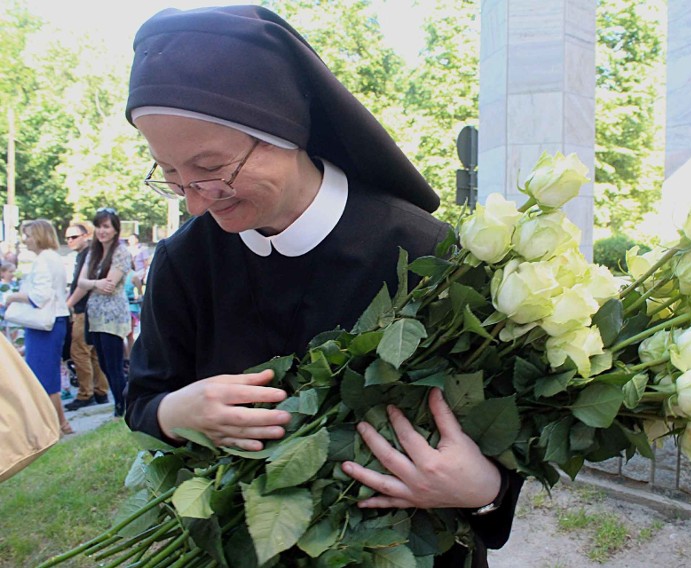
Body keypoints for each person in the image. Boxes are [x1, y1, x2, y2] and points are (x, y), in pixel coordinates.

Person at [123, 5, 521, 566]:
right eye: (169, 175)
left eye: (211, 169)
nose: (193, 200)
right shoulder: (183, 264)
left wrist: (484, 489)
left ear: (283, 130)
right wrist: (174, 412)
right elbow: (142, 399)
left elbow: (501, 431)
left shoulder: (426, 253)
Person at [4, 219, 72, 435]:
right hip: (54, 321)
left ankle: (56, 426)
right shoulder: (53, 258)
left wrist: (12, 297)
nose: (26, 240)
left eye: (29, 235)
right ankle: (60, 424)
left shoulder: (43, 260)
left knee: (43, 378)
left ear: (40, 236)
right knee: (47, 375)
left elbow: (39, 296)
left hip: (45, 325)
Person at [67, 209, 131, 417]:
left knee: (113, 363)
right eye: (98, 226)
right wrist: (96, 283)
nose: (101, 231)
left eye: (106, 226)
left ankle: (122, 406)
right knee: (103, 363)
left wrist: (91, 283)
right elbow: (81, 282)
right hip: (93, 315)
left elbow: (109, 286)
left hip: (112, 316)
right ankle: (120, 403)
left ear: (115, 230)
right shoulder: (93, 252)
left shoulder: (121, 251)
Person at [63, 222, 110, 411]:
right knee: (93, 353)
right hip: (93, 310)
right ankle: (100, 391)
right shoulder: (89, 255)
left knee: (79, 352)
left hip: (86, 310)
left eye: (74, 237)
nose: (69, 241)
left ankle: (86, 394)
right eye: (67, 238)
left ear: (86, 236)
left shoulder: (89, 255)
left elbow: (83, 286)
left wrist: (68, 304)